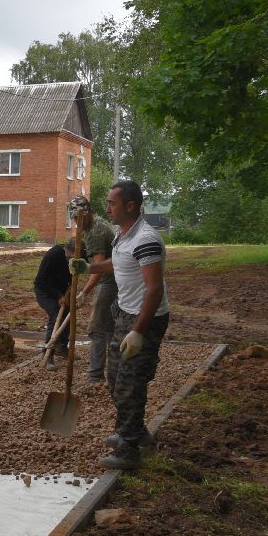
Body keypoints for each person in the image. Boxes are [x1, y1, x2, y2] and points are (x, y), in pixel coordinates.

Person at [70, 179, 170, 469]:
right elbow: (119, 264)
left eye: (113, 203)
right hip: (125, 314)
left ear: (130, 206)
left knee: (130, 382)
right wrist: (90, 268)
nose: (107, 208)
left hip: (145, 319)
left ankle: (129, 449)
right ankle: (136, 432)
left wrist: (138, 331)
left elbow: (154, 289)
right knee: (115, 378)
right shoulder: (123, 235)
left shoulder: (146, 239)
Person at [69, 195, 116, 384]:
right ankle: (115, 372)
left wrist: (84, 292)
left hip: (110, 281)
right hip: (115, 280)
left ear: (89, 213)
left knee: (96, 328)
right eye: (74, 219)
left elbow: (98, 268)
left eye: (80, 218)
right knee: (110, 327)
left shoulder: (96, 231)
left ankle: (95, 375)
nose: (77, 222)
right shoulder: (92, 226)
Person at [32, 238, 75, 364]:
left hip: (62, 291)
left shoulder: (78, 254)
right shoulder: (53, 255)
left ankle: (62, 348)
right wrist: (58, 296)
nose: (71, 258)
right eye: (69, 255)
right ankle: (48, 353)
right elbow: (40, 281)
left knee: (68, 315)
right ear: (65, 248)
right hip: (45, 292)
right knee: (56, 316)